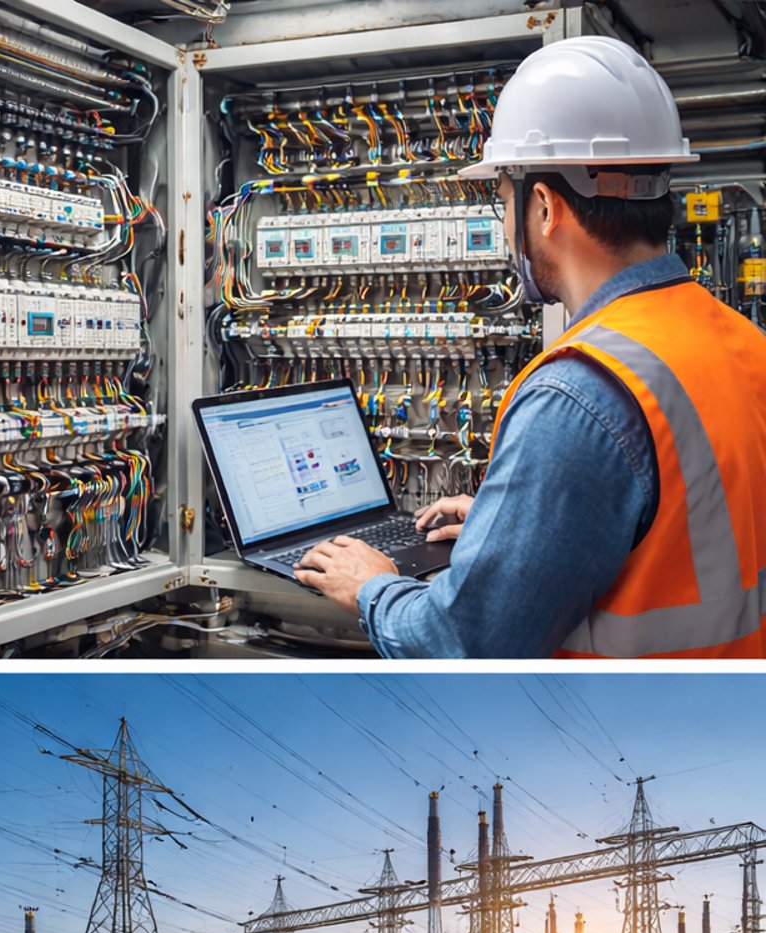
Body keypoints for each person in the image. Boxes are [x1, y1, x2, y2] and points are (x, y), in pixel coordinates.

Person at [293, 36, 766, 657]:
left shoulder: (577, 392)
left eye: (504, 197)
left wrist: (375, 587)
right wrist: (513, 532)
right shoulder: (740, 338)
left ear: (544, 206)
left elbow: (464, 644)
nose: (505, 219)